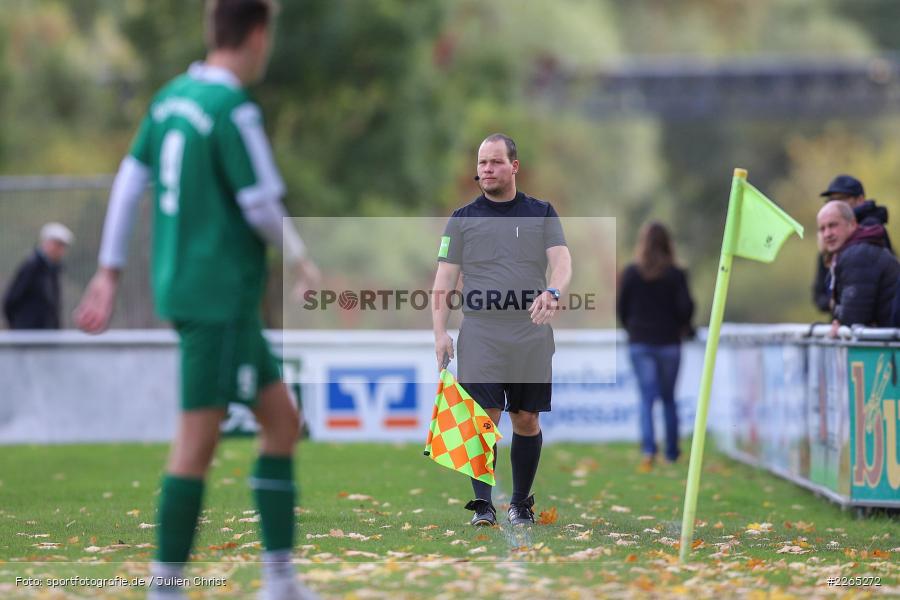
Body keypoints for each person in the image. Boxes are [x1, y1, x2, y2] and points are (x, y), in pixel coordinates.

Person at [73, 1, 320, 598]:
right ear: (258, 35)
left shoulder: (170, 99)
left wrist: (109, 270)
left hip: (193, 291)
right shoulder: (233, 108)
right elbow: (261, 204)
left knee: (282, 422)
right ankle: (166, 586)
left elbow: (129, 182)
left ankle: (281, 582)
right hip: (219, 299)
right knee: (197, 442)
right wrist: (302, 259)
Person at [432, 133, 572, 527]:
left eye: (494, 162)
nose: (486, 170)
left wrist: (553, 290)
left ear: (514, 166)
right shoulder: (462, 220)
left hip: (530, 332)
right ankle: (483, 505)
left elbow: (562, 263)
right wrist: (440, 333)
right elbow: (443, 282)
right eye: (481, 163)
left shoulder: (541, 212)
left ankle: (521, 502)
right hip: (480, 332)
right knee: (483, 417)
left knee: (526, 419)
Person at [616, 222, 694, 472]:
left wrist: (634, 329)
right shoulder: (676, 274)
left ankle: (649, 450)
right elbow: (686, 309)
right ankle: (672, 452)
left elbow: (621, 309)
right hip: (669, 344)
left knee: (646, 399)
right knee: (669, 399)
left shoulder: (631, 273)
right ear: (667, 243)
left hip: (640, 343)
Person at [816, 200, 899, 334]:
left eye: (833, 225)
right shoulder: (855, 250)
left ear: (852, 224)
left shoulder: (857, 256)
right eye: (822, 228)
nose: (827, 234)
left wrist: (840, 325)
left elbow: (855, 317)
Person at [812, 175, 892, 312]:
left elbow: (863, 294)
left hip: (869, 325)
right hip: (844, 321)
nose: (834, 204)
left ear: (860, 200)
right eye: (830, 200)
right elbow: (819, 294)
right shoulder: (831, 237)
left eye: (841, 199)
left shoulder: (872, 230)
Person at [3, 222, 74, 329]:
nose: (60, 250)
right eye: (57, 244)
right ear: (46, 243)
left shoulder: (53, 270)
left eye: (63, 246)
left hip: (47, 336)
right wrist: (17, 327)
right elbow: (11, 300)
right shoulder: (31, 267)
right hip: (29, 336)